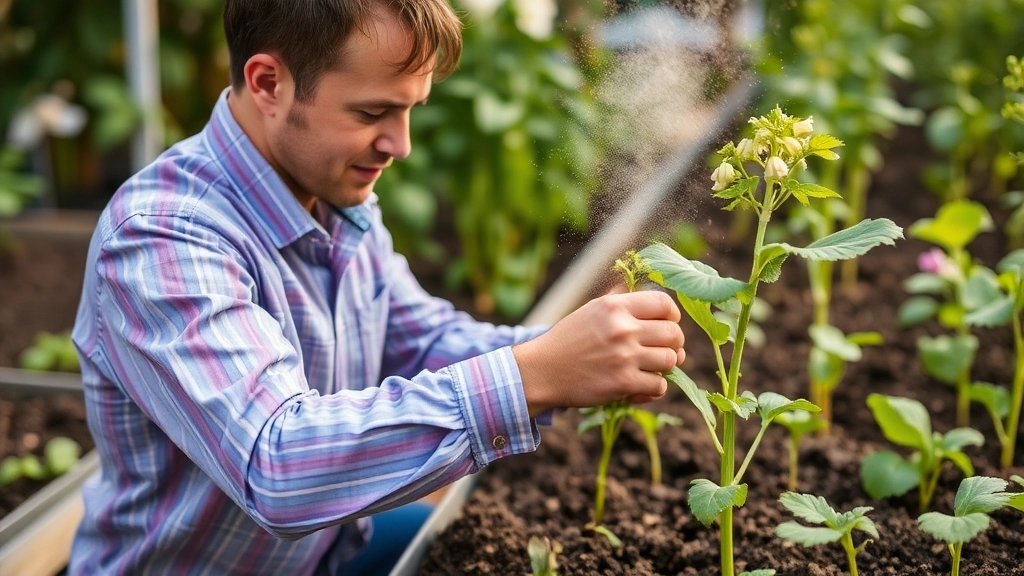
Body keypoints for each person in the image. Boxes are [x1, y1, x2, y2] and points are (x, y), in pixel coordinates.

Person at [67, 0, 686, 574]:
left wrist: (577, 352)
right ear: (267, 83)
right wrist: (534, 375)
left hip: (329, 551)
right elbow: (276, 468)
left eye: (409, 109)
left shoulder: (328, 189)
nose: (400, 144)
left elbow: (419, 338)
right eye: (371, 113)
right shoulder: (162, 239)